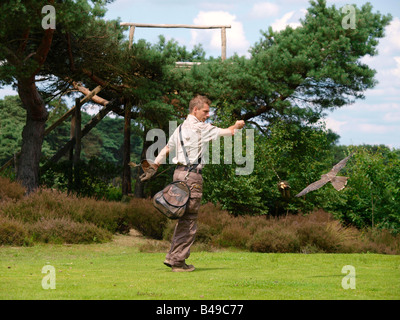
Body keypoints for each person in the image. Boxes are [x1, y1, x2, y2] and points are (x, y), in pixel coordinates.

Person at [141, 95, 245, 272]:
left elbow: (167, 148)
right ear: (195, 110)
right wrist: (238, 125)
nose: (207, 115)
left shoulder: (180, 128)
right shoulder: (201, 128)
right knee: (189, 221)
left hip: (178, 174)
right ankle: (178, 262)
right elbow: (230, 132)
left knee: (182, 218)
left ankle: (173, 257)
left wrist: (155, 165)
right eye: (205, 111)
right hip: (192, 177)